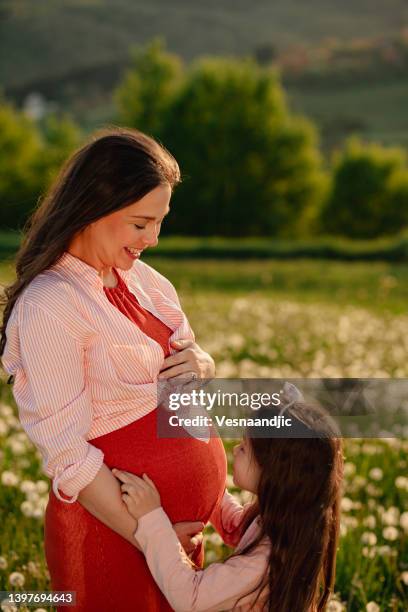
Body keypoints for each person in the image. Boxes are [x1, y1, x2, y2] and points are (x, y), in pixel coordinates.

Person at [0, 127, 227, 611]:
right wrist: (154, 535)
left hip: (172, 543)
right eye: (141, 223)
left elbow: (183, 369)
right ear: (93, 209)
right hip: (115, 538)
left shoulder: (148, 283)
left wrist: (204, 363)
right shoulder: (50, 305)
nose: (154, 239)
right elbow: (67, 456)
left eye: (160, 222)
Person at [112, 390, 344, 612]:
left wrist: (151, 517)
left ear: (272, 472)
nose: (235, 450)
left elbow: (189, 597)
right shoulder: (287, 525)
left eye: (244, 448)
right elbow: (236, 526)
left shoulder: (261, 564)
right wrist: (208, 485)